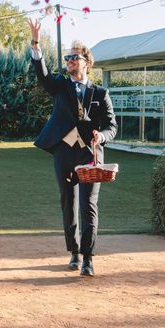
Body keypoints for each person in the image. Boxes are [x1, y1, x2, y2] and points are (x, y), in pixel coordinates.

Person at [27, 19, 117, 277]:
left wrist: (102, 136)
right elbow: (42, 74)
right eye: (67, 57)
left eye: (74, 57)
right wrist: (36, 43)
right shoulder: (59, 86)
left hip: (89, 155)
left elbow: (112, 126)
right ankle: (74, 252)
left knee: (88, 205)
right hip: (64, 153)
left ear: (86, 62)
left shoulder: (100, 93)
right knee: (68, 202)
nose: (69, 61)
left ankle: (88, 258)